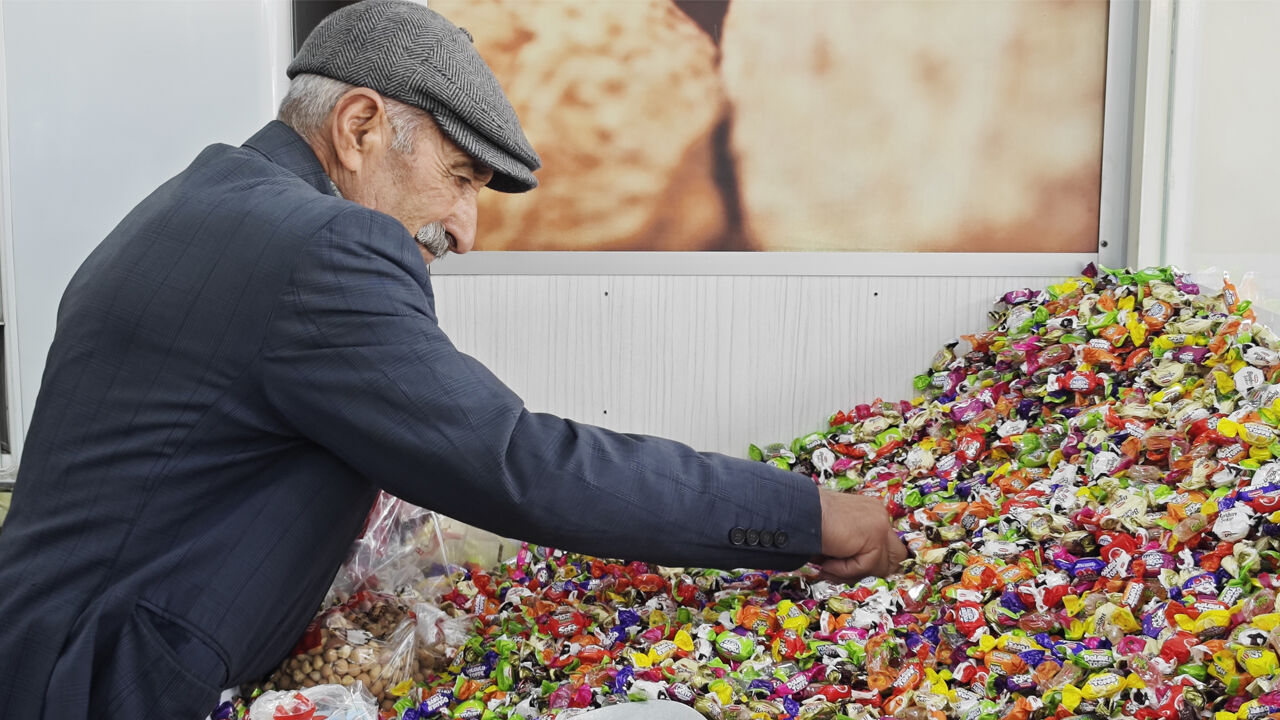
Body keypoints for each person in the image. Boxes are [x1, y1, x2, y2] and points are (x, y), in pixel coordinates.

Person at [0, 2, 907, 718]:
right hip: (101, 684)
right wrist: (811, 514)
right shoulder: (320, 249)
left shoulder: (202, 203)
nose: (465, 232)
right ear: (359, 127)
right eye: (463, 180)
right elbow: (515, 464)